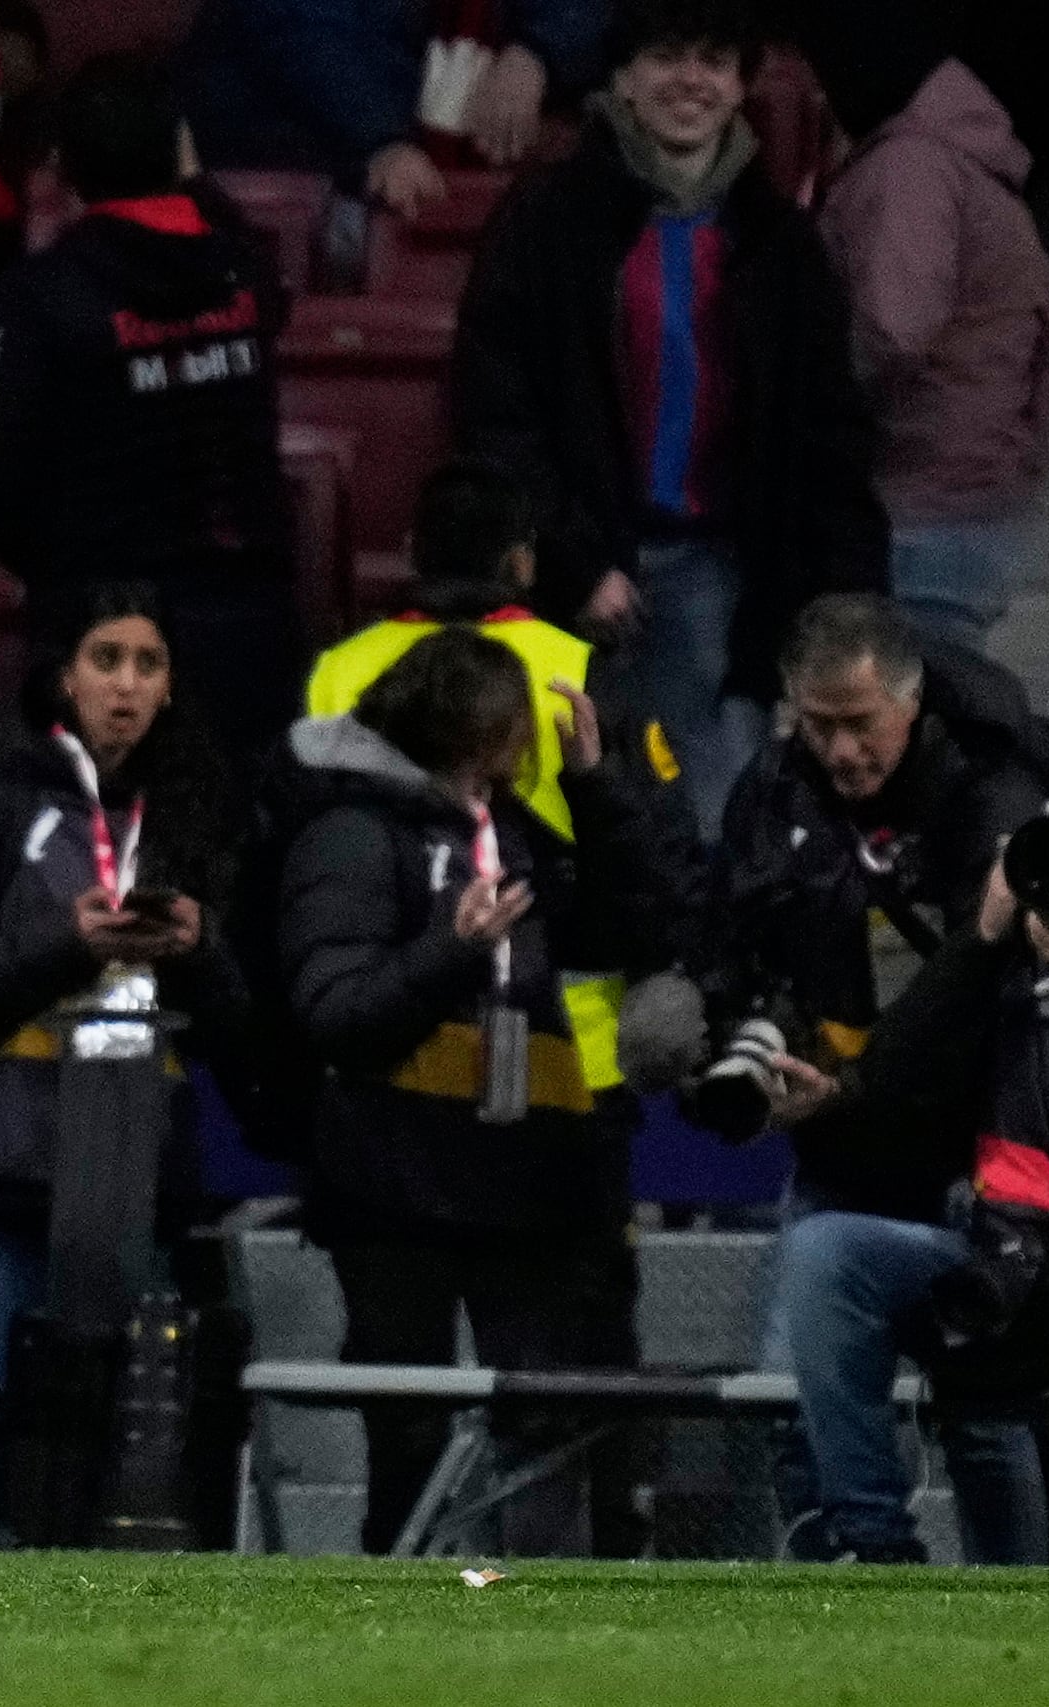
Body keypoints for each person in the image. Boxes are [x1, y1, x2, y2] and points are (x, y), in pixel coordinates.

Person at [299, 460, 707, 1554]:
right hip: (557, 1074)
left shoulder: (337, 668)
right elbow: (663, 890)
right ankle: (588, 1567)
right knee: (566, 1391)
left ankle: (475, 1574)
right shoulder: (578, 667)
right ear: (522, 560)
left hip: (462, 1096)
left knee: (439, 1408)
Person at [453, 0, 887, 843]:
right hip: (565, 578)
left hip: (719, 582)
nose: (691, 81)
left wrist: (842, 601)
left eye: (714, 61)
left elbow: (829, 437)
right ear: (622, 77)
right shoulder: (543, 222)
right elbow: (498, 414)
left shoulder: (782, 244)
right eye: (667, 57)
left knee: (715, 826)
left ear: (742, 85)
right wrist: (577, 561)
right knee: (563, 828)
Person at [708, 596, 1049, 1561]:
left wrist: (856, 1085)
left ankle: (1016, 1598)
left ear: (910, 701)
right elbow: (734, 942)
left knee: (985, 1409)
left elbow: (982, 993)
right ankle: (856, 1575)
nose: (840, 749)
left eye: (860, 723)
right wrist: (748, 1040)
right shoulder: (776, 790)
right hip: (847, 1146)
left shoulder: (996, 790)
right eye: (817, 724)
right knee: (792, 1398)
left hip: (982, 1146)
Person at [0, 585, 241, 1396]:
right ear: (64, 677)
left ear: (171, 686)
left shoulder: (192, 813)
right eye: (106, 659)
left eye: (148, 664)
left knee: (137, 1421)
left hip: (145, 1168)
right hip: (5, 1166)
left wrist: (199, 949)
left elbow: (244, 1023)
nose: (127, 685)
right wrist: (67, 947)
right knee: (11, 1414)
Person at [0, 55, 295, 764]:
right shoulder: (244, 270)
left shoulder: (43, 293)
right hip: (248, 624)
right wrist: (190, 172)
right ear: (180, 150)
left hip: (101, 631)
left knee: (99, 825)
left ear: (63, 167)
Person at [753, 851, 1049, 1563]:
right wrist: (981, 939)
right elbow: (891, 1073)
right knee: (829, 1254)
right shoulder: (1011, 986)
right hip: (1010, 1254)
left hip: (1048, 1268)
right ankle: (873, 1547)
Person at [793, 4, 1049, 649]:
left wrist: (799, 421)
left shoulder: (910, 168)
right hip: (970, 508)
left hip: (911, 506)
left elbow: (887, 332)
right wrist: (1017, 469)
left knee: (903, 703)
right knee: (947, 697)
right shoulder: (981, 173)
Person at [178, 0, 608, 215]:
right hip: (299, 172)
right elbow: (300, 32)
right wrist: (381, 141)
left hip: (455, 175)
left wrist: (537, 53)